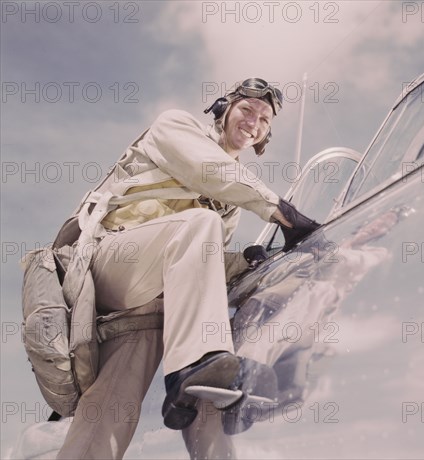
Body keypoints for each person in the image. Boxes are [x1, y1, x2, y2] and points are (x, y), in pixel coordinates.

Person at [54, 77, 319, 459]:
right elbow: (208, 171)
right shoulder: (175, 127)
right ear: (223, 109)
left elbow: (196, 256)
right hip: (112, 264)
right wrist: (283, 213)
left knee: (111, 413)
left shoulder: (225, 204)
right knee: (200, 226)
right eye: (247, 109)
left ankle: (197, 379)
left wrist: (246, 261)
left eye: (263, 120)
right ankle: (194, 363)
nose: (253, 121)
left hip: (151, 306)